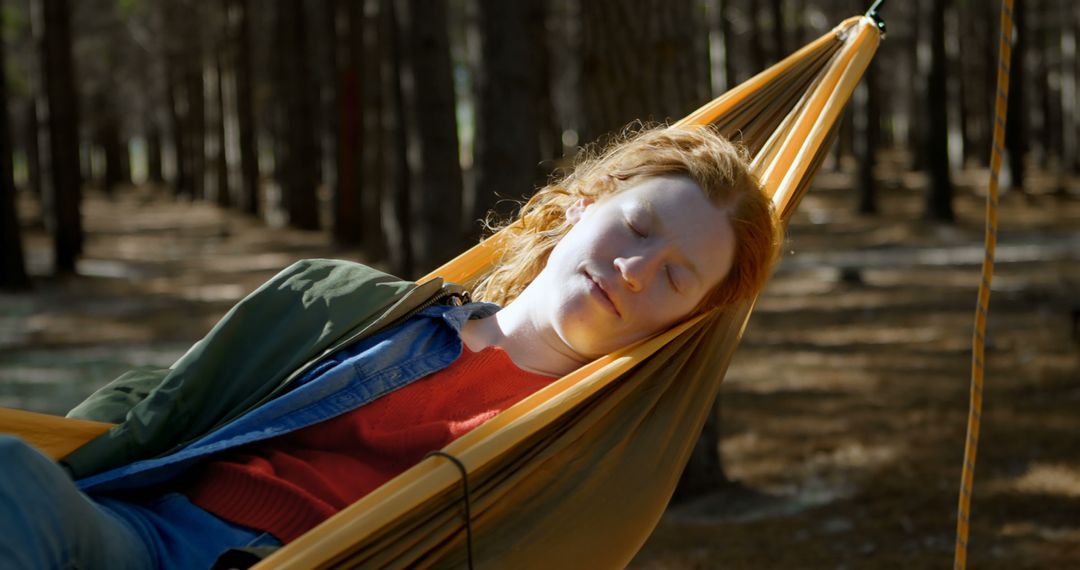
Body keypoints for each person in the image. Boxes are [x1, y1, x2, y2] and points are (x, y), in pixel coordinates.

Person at [0, 124, 779, 569]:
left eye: (678, 277)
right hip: (149, 535)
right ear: (581, 206)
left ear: (683, 325)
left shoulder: (580, 460)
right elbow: (168, 399)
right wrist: (70, 460)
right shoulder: (350, 305)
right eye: (638, 229)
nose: (636, 271)